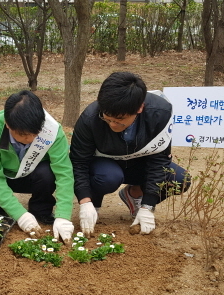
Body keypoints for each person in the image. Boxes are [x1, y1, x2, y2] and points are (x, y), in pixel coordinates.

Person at [70, 71, 190, 236]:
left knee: (180, 179)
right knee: (108, 176)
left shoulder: (160, 113)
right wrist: (85, 201)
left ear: (140, 108)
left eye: (119, 120)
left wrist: (148, 206)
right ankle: (94, 207)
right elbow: (79, 162)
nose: (112, 124)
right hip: (105, 168)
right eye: (108, 118)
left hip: (140, 165)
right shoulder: (90, 118)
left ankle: (134, 195)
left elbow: (159, 161)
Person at [0, 90, 74, 243]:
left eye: (35, 134)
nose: (29, 139)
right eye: (23, 135)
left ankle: (40, 211)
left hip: (34, 177)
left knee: (48, 171)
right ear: (8, 125)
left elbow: (64, 173)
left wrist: (63, 215)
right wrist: (20, 215)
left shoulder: (52, 131)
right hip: (5, 176)